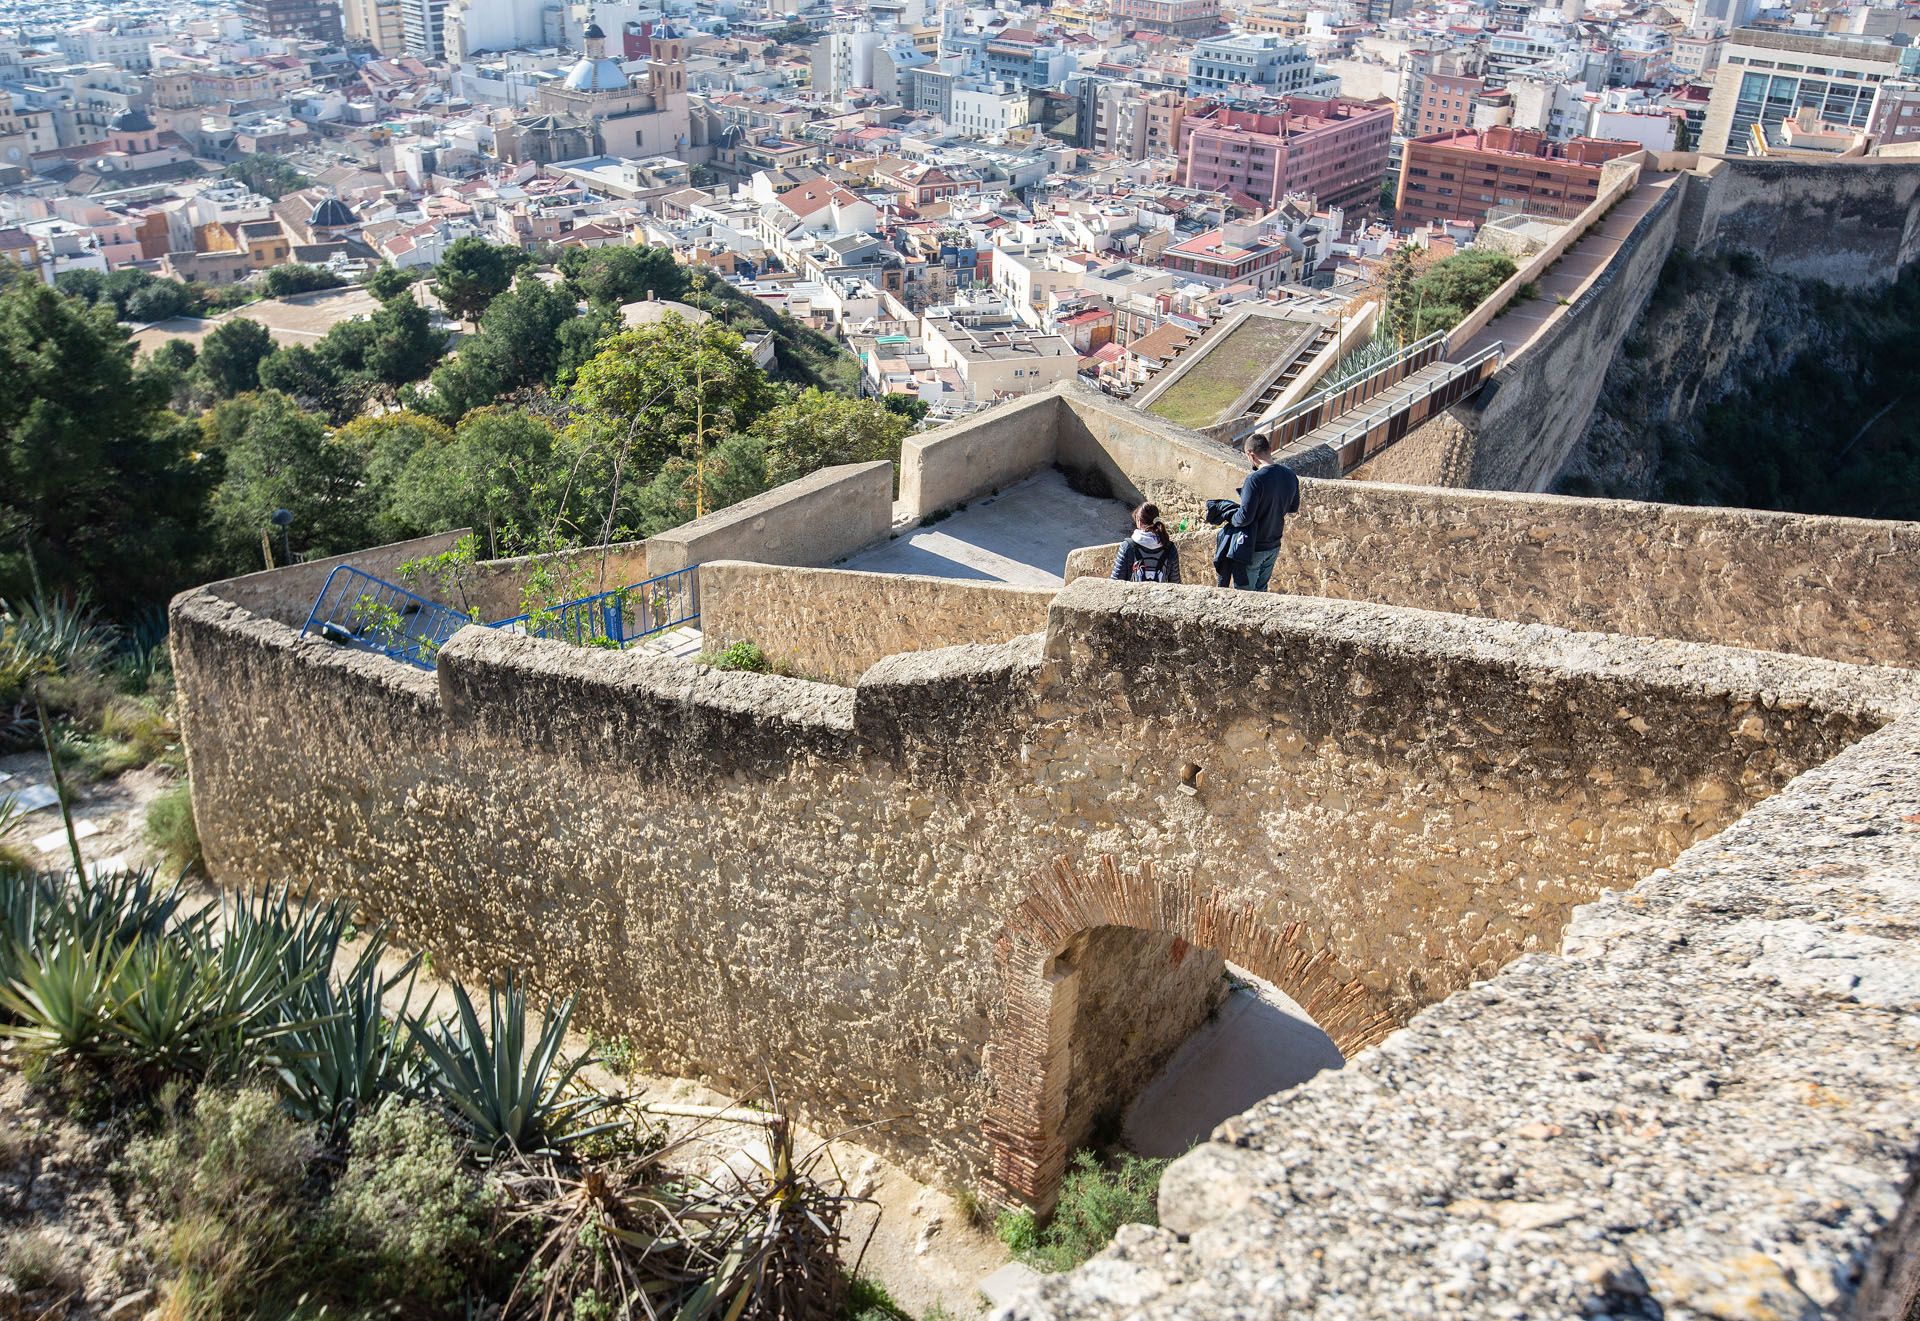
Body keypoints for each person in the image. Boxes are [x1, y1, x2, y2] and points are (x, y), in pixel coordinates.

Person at [1224, 435, 1299, 592]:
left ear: (1250, 455)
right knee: (1261, 592)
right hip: (1273, 545)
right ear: (1270, 450)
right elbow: (1293, 507)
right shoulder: (1290, 475)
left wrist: (1230, 516)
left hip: (1253, 547)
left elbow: (1245, 517)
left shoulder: (1254, 479)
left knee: (1245, 595)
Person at [1110, 502, 1182, 584]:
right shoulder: (1170, 547)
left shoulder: (1127, 546)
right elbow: (1175, 583)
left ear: (1139, 522)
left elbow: (1115, 581)